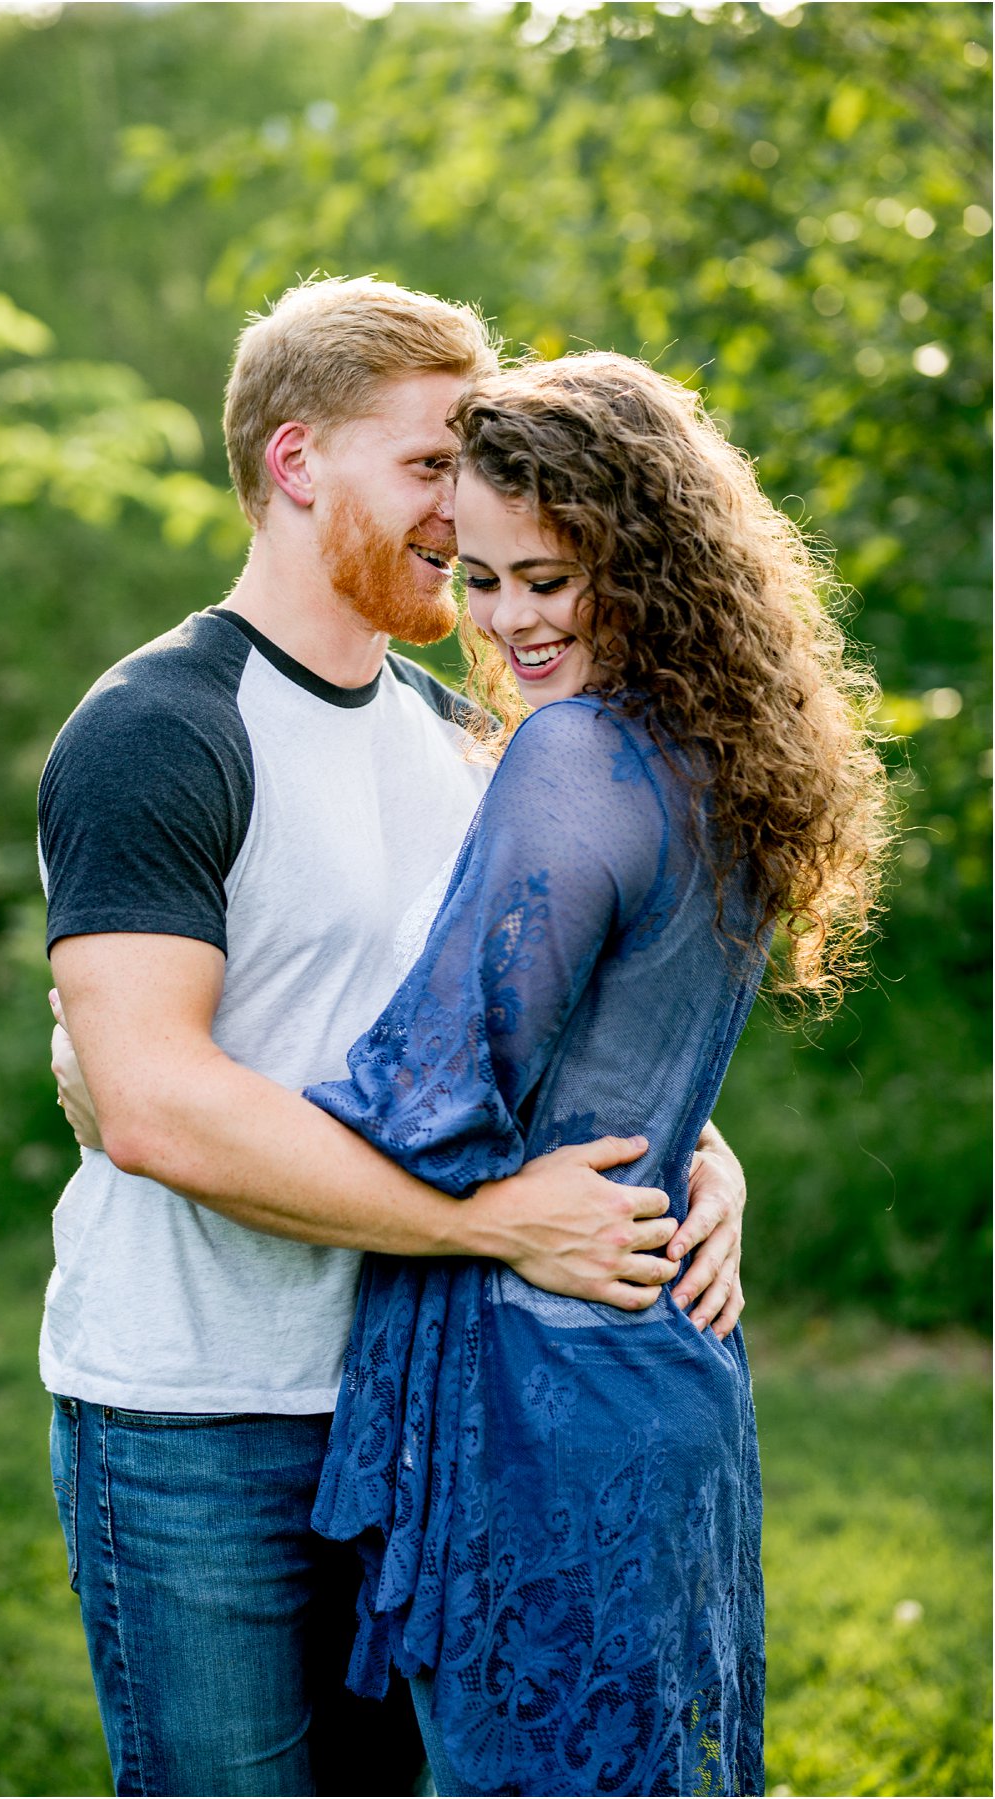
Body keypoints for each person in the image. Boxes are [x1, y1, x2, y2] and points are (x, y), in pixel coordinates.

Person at [36, 279, 751, 1798]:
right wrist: (497, 1227)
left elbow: (529, 1025)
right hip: (199, 1416)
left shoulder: (472, 736)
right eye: (432, 464)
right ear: (298, 462)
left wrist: (695, 1157)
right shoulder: (161, 727)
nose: (465, 506)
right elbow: (154, 1107)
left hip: (413, 1410)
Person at [299, 353, 888, 1795]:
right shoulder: (728, 751)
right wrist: (704, 1149)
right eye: (479, 579)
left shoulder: (570, 753)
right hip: (662, 1354)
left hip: (539, 1378)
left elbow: (433, 1101)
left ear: (642, 556)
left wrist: (155, 1085)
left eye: (548, 579)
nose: (506, 624)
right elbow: (628, 1049)